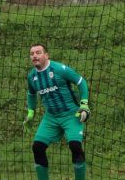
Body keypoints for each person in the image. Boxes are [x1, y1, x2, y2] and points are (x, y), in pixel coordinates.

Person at [23, 43, 90, 180]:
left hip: (71, 115)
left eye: (38, 52)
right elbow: (31, 94)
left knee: (75, 147)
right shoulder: (32, 77)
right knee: (37, 148)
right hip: (51, 118)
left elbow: (81, 82)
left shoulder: (60, 69)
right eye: (32, 54)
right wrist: (30, 113)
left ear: (46, 55)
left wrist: (84, 105)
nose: (35, 56)